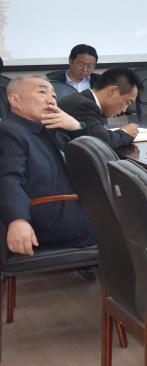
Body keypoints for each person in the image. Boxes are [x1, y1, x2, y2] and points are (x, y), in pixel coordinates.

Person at [0, 76, 94, 255]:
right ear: (15, 100)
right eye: (43, 92)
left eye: (54, 95)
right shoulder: (9, 131)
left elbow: (90, 165)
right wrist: (17, 220)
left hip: (72, 212)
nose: (51, 100)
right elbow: (9, 178)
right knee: (135, 230)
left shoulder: (48, 129)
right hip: (53, 222)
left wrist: (77, 128)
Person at [59, 67, 142, 149]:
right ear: (113, 91)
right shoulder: (83, 105)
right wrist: (125, 132)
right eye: (127, 102)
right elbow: (101, 142)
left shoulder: (87, 101)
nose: (124, 110)